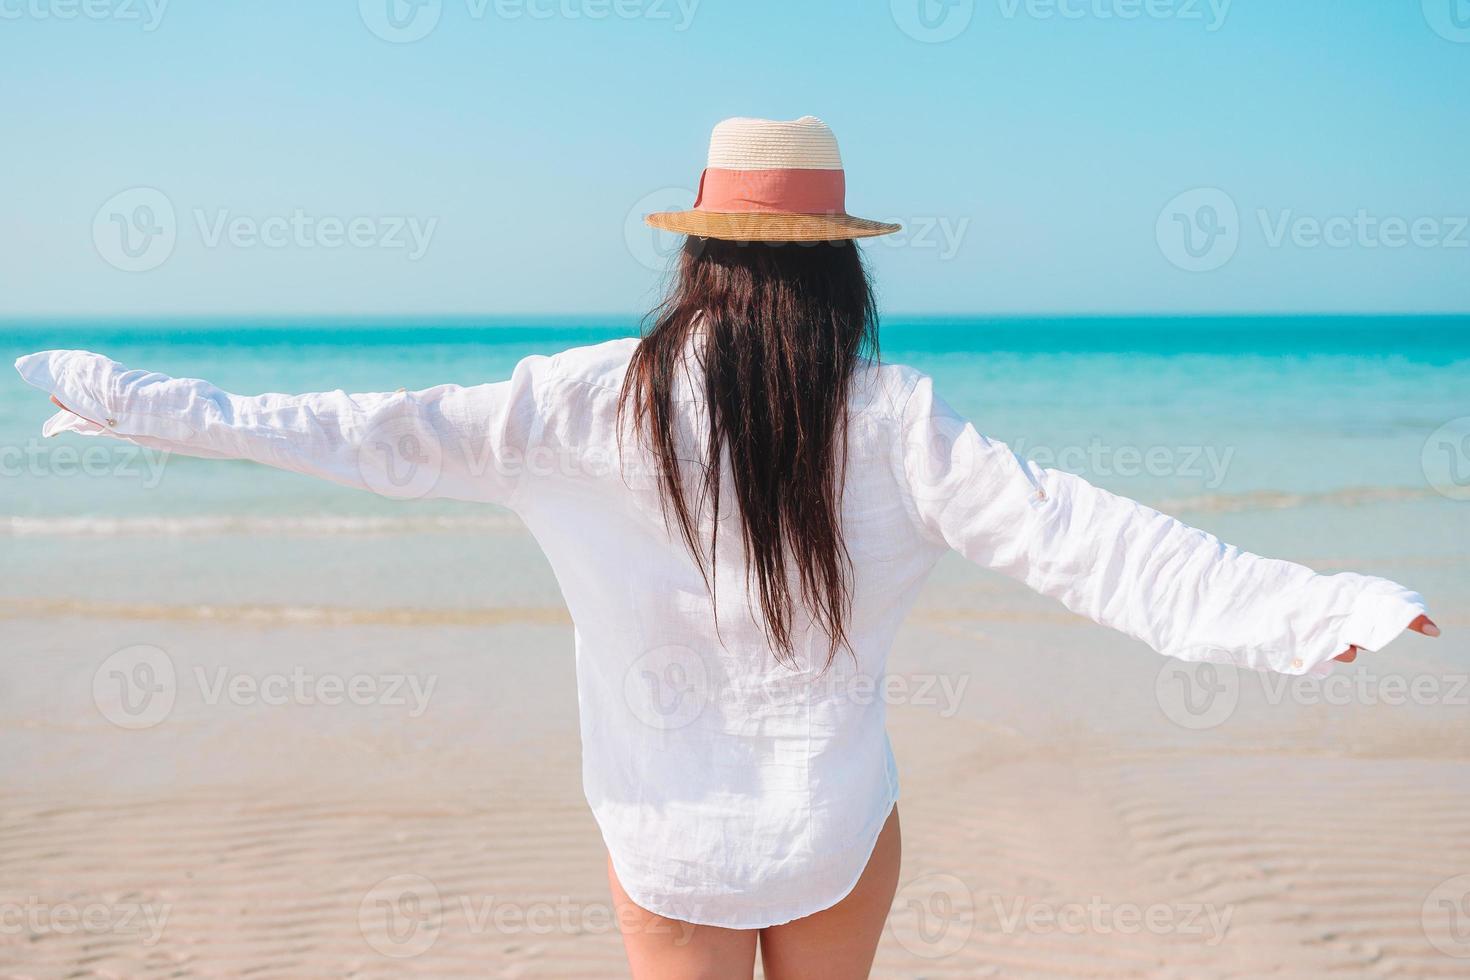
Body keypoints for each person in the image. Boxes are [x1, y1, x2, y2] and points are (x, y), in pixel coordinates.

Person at [15, 116, 1437, 980]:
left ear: (697, 252)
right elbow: (1092, 542)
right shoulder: (889, 417)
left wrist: (130, 402)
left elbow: (353, 431)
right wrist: (1322, 605)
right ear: (842, 265)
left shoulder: (575, 401)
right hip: (833, 829)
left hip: (663, 845)